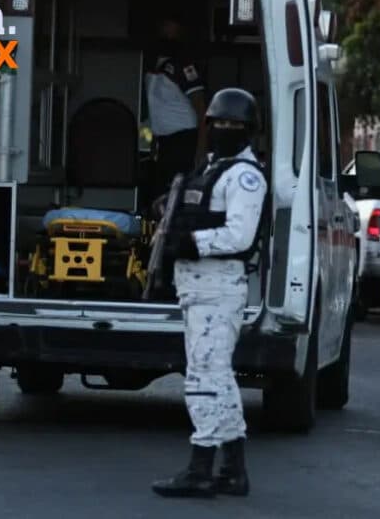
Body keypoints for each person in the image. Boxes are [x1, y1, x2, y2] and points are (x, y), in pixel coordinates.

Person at [151, 88, 267, 499]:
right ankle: (233, 470)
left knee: (203, 378)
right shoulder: (214, 168)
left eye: (233, 125)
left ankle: (201, 468)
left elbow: (240, 234)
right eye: (218, 123)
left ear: (249, 131)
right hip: (199, 288)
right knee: (219, 377)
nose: (224, 130)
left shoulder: (245, 177)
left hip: (218, 286)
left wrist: (191, 242)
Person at [144, 14, 208, 200]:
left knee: (178, 195)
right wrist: (154, 142)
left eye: (173, 32)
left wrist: (201, 149)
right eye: (165, 31)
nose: (168, 37)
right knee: (160, 195)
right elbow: (157, 109)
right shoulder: (151, 66)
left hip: (184, 142)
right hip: (163, 143)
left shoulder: (184, 66)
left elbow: (202, 110)